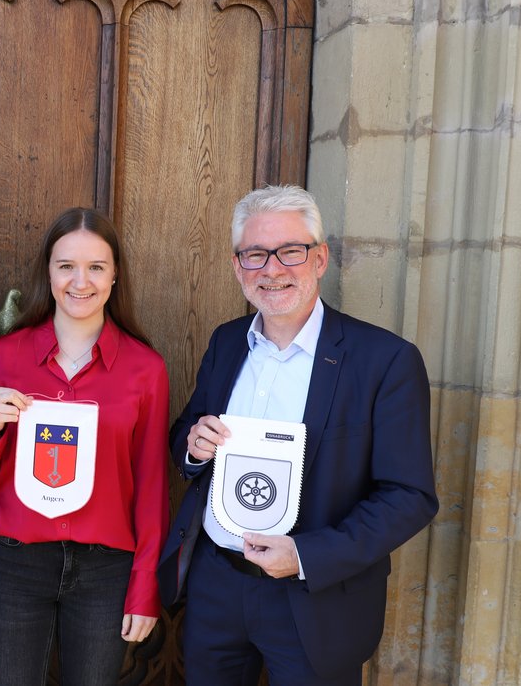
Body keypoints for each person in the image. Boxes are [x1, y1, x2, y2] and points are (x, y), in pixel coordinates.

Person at [156, 185, 438, 685]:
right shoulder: (226, 343)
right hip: (217, 584)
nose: (273, 268)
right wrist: (194, 445)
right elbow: (186, 432)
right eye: (255, 254)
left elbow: (409, 496)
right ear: (237, 265)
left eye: (291, 250)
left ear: (320, 258)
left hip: (316, 597)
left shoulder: (385, 361)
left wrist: (307, 557)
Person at [0, 207, 170, 685]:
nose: (81, 281)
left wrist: (146, 589)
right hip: (18, 562)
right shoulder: (7, 355)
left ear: (115, 275)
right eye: (66, 266)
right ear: (48, 272)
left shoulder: (146, 369)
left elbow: (152, 486)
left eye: (96, 267)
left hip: (106, 572)